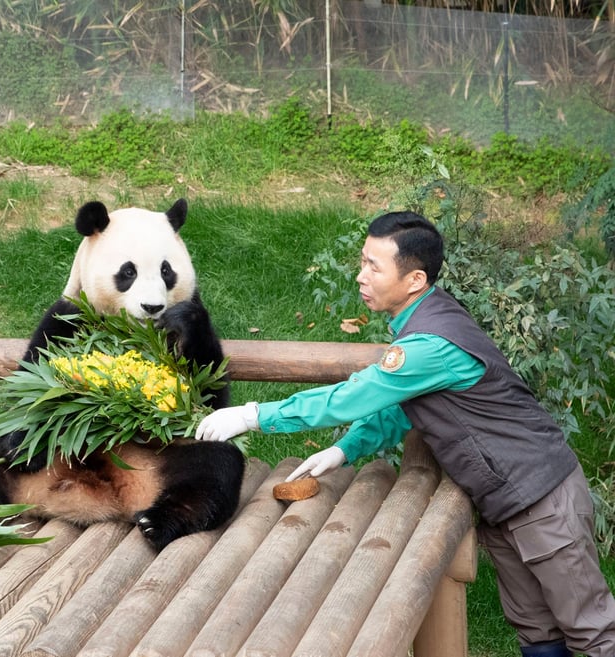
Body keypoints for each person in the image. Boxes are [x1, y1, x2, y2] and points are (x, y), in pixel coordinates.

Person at [195, 210, 615, 657]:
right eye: (363, 261)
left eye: (373, 266)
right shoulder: (425, 322)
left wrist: (254, 414)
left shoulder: (431, 343)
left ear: (414, 279)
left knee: (592, 631)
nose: (361, 276)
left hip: (542, 498)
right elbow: (406, 406)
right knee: (536, 631)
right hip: (507, 500)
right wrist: (346, 448)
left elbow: (352, 396)